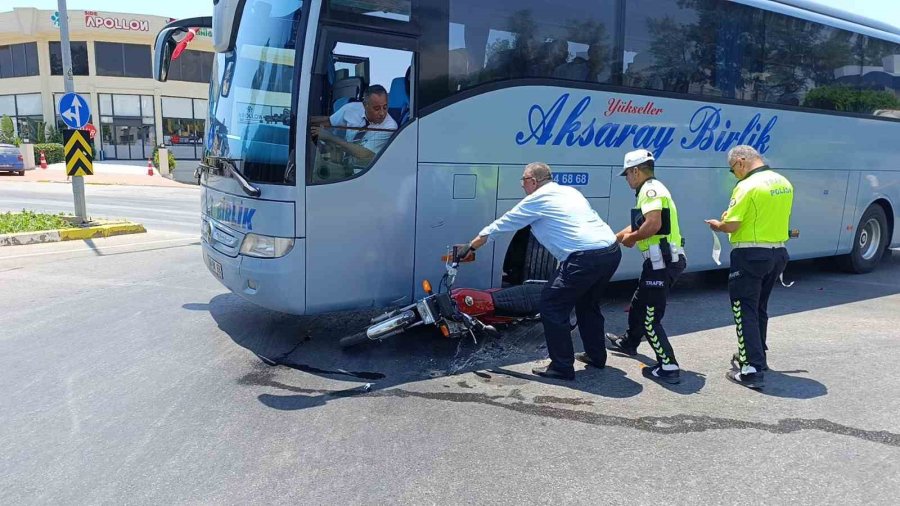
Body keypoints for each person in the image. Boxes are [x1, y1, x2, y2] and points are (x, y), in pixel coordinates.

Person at [466, 162, 621, 381]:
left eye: (523, 181)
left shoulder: (536, 200)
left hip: (584, 258)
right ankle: (597, 356)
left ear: (533, 181)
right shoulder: (569, 191)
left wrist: (471, 246)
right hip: (610, 251)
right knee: (588, 304)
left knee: (551, 305)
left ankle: (561, 366)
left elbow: (502, 224)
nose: (522, 185)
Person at [705, 145, 794, 389]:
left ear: (741, 161)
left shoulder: (747, 186)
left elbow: (732, 225)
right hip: (778, 253)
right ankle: (758, 357)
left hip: (751, 255)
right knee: (759, 307)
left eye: (733, 169)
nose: (734, 174)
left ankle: (750, 369)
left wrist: (718, 224)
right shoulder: (782, 182)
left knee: (743, 309)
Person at [607, 150, 687, 385]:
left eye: (627, 175)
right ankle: (629, 342)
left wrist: (631, 239)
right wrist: (614, 237)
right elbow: (638, 224)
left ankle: (668, 365)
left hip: (661, 262)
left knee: (651, 318)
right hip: (660, 261)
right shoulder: (652, 190)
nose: (627, 181)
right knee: (639, 303)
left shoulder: (650, 190)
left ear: (635, 171)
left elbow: (652, 225)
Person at [310, 84, 398, 162]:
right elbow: (329, 121)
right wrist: (303, 120)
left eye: (385, 107)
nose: (382, 113)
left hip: (364, 171)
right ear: (365, 105)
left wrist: (330, 137)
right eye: (377, 109)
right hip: (342, 162)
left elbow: (366, 155)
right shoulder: (351, 109)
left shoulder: (390, 126)